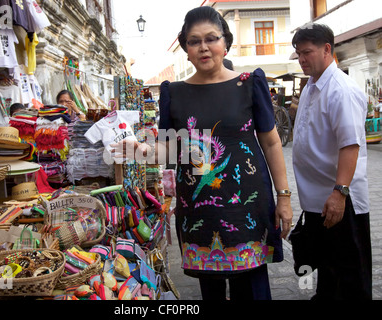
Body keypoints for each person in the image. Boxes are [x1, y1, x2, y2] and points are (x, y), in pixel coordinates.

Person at [111, 6, 293, 300]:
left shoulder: (248, 84)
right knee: (210, 290)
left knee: (252, 288)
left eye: (212, 38)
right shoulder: (175, 92)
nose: (204, 47)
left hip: (247, 205)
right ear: (185, 48)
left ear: (225, 42)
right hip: (199, 207)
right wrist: (141, 149)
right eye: (195, 41)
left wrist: (284, 197)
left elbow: (271, 143)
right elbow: (171, 149)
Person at [291, 23, 371, 300]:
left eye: (307, 52)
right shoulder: (312, 86)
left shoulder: (341, 90)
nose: (302, 59)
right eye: (298, 53)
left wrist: (340, 193)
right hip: (316, 200)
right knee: (328, 267)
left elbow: (350, 145)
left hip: (339, 200)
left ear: (327, 49)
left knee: (350, 271)